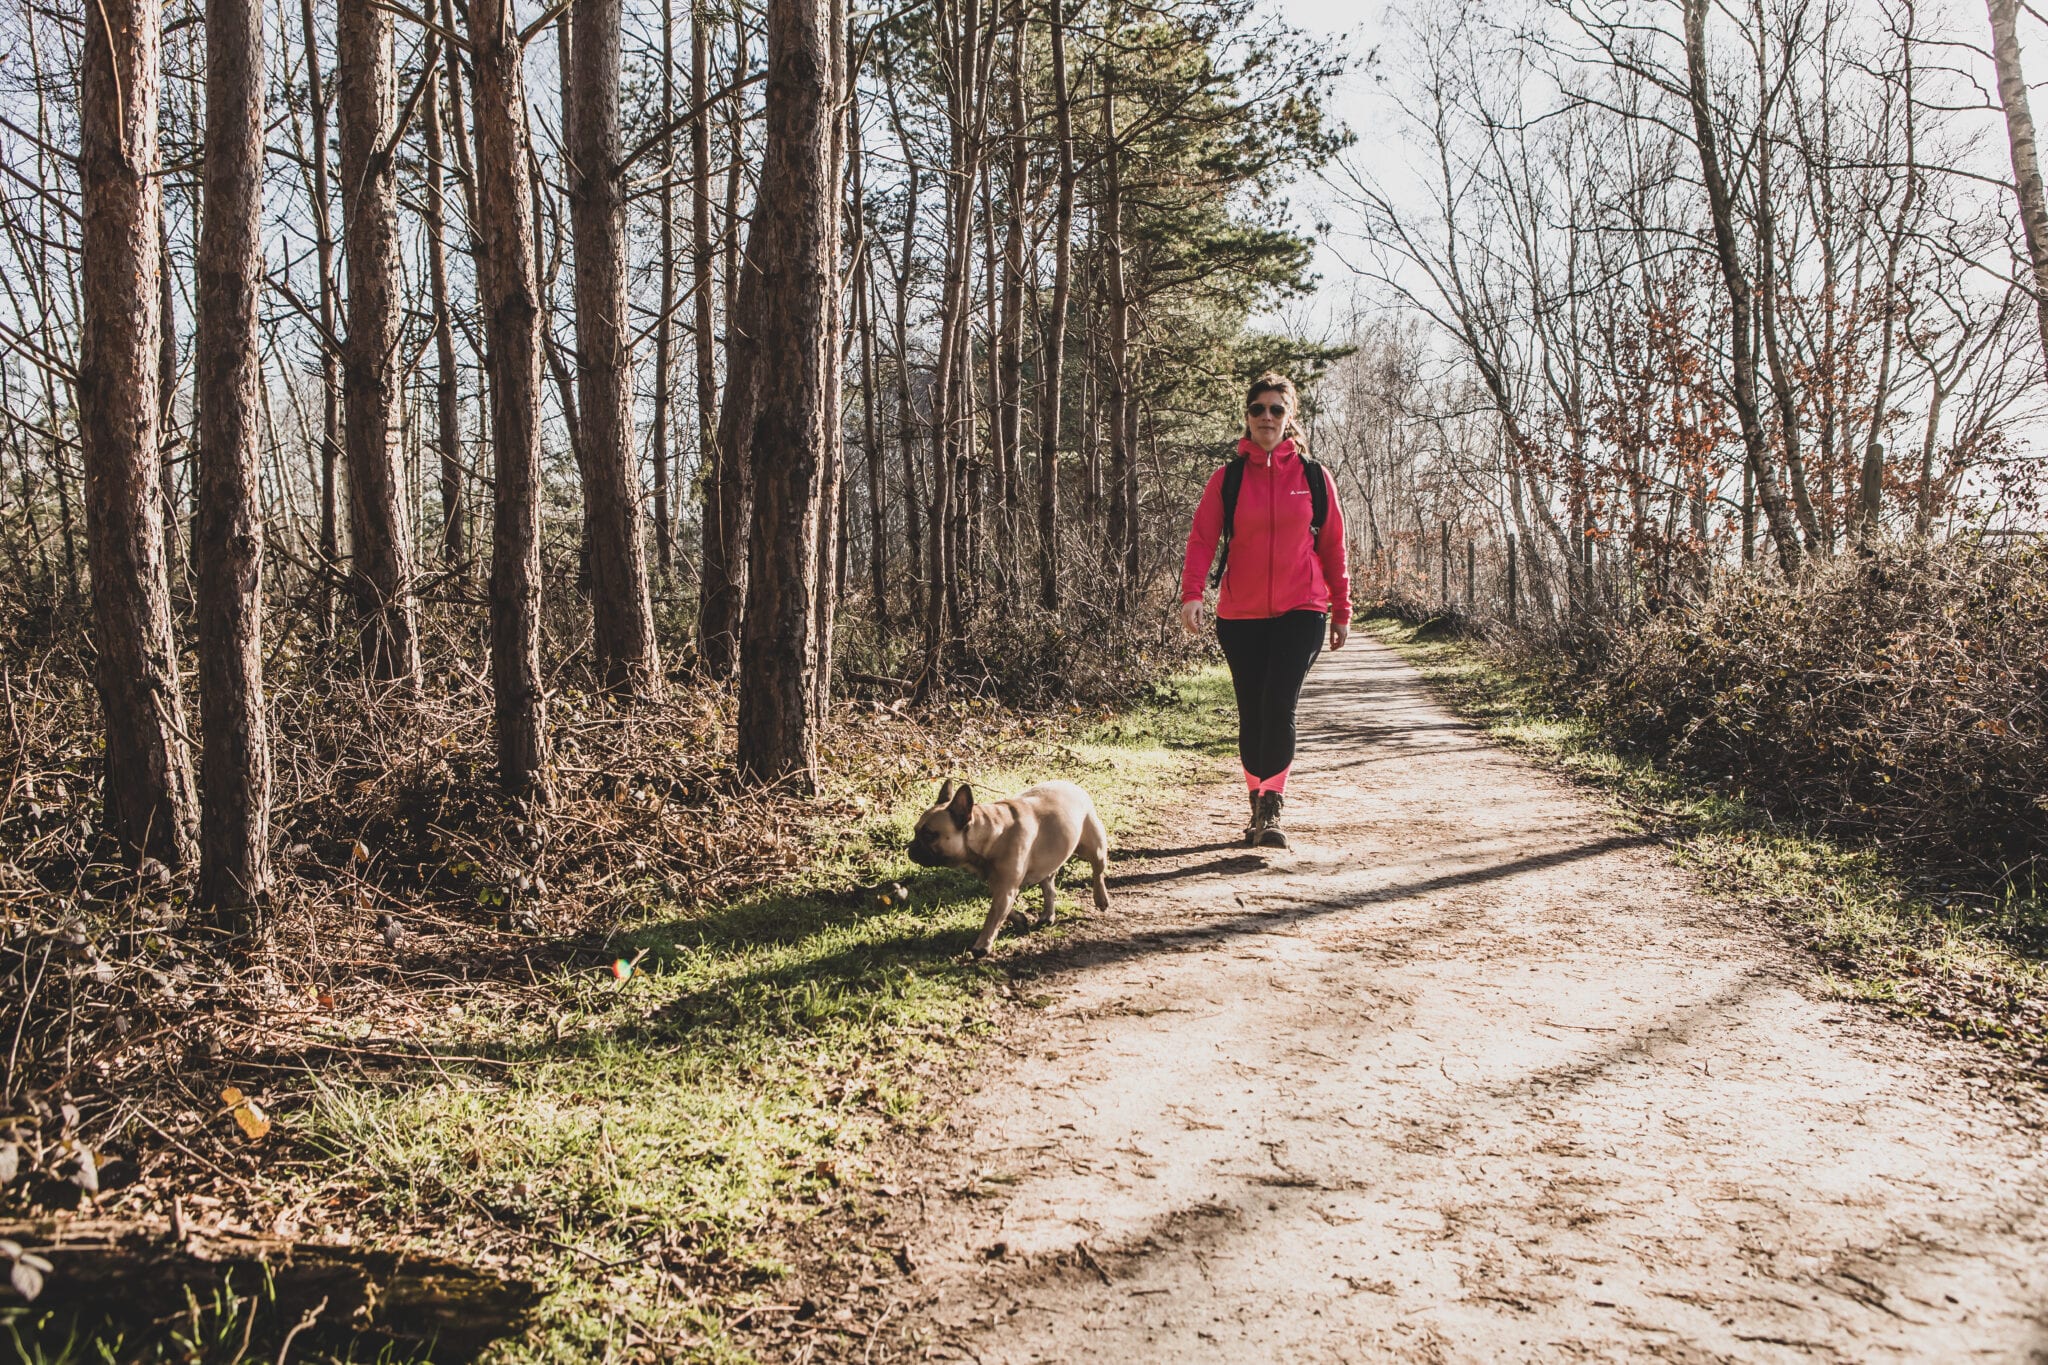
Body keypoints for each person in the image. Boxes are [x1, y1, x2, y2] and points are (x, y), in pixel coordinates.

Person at [1179, 372, 1350, 849]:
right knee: (1252, 712)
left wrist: (1342, 607)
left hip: (1303, 609)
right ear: (1247, 417)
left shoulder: (1314, 477)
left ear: (1289, 416)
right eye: (1259, 409)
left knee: (1279, 704)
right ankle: (1257, 802)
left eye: (1277, 409)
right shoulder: (1227, 479)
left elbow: (1334, 546)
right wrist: (1192, 594)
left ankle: (1272, 805)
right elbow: (1202, 540)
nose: (1267, 417)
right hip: (1241, 615)